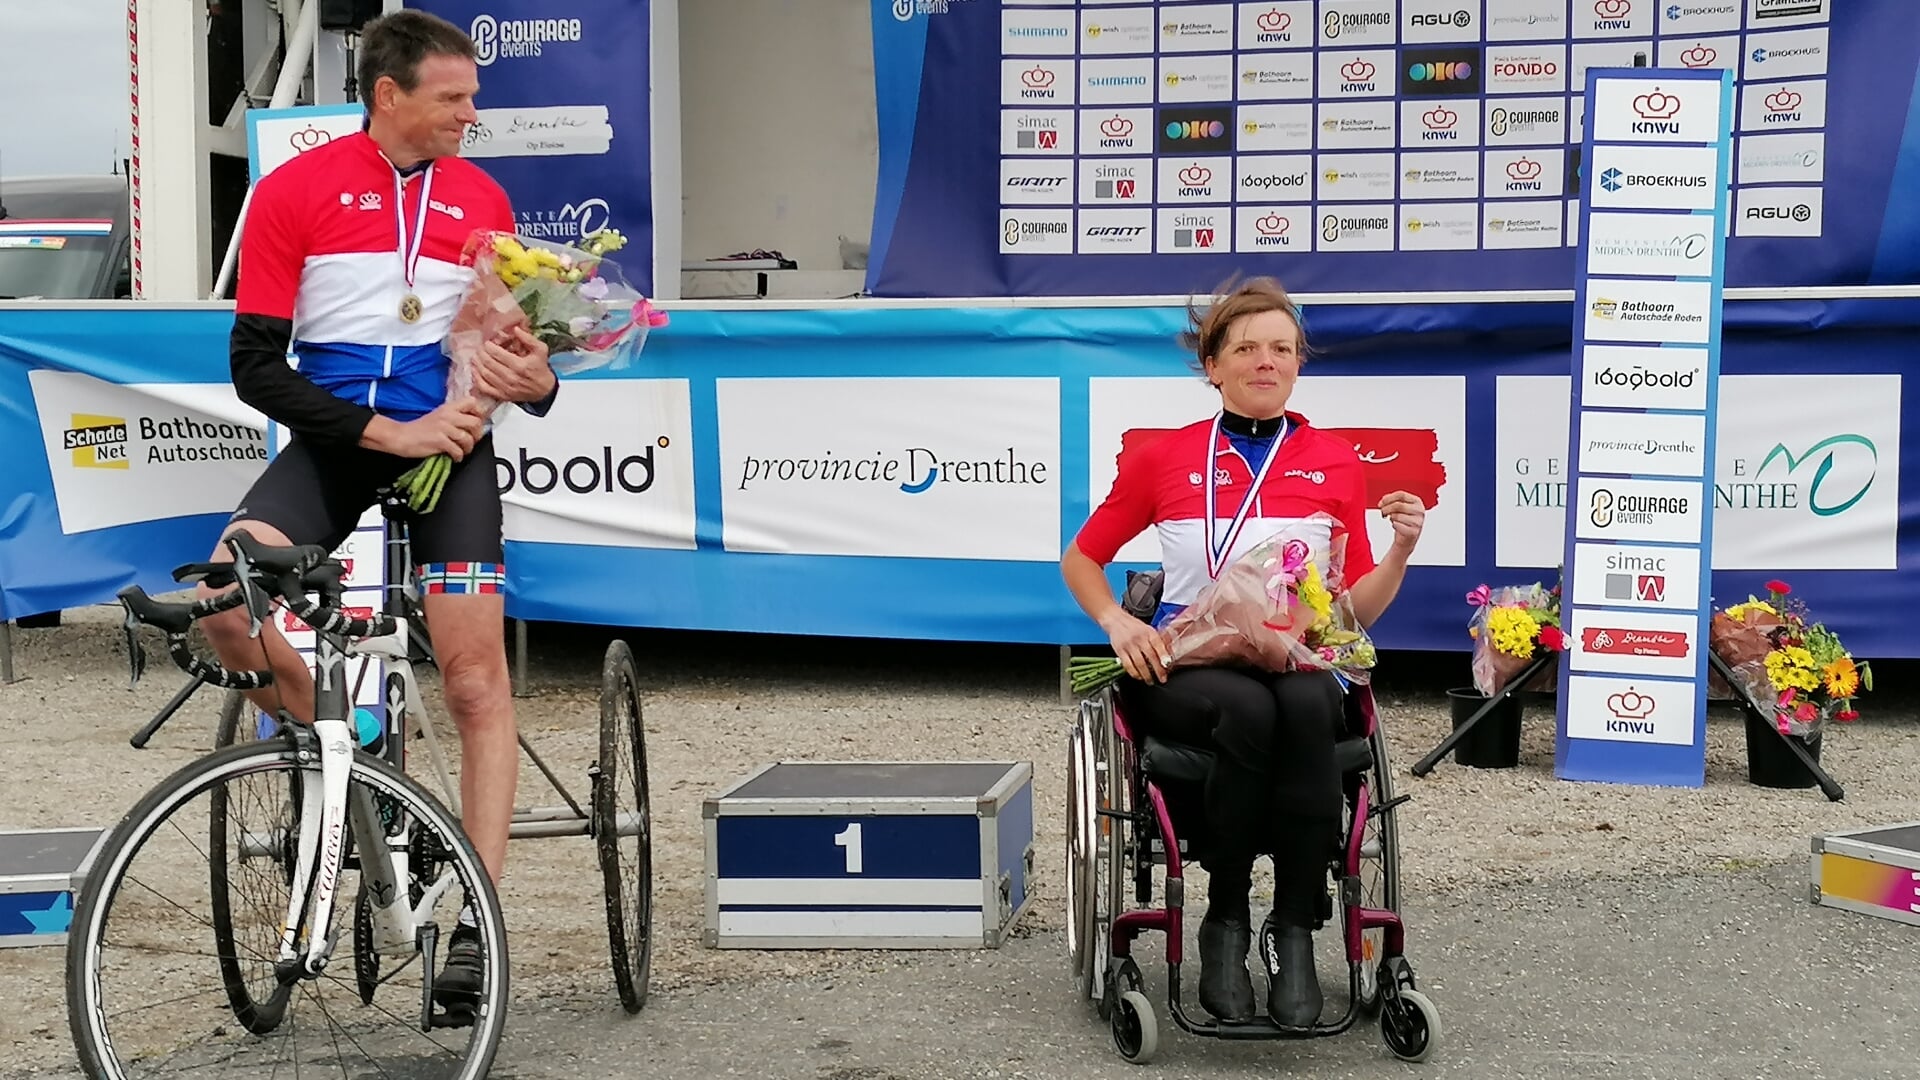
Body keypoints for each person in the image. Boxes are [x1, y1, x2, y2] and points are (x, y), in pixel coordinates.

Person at [197, 10, 558, 1013]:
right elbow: (255, 366)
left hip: (456, 450)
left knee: (476, 677)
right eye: (455, 98)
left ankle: (477, 925)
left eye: (473, 96)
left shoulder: (481, 197)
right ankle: (351, 777)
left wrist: (533, 376)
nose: (472, 114)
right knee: (227, 601)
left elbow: (526, 361)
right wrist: (384, 433)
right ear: (389, 95)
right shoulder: (295, 192)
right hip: (343, 447)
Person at [1060, 276, 1425, 1028]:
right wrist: (1116, 624)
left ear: (1298, 365)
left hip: (1296, 659)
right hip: (1188, 661)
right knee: (1252, 709)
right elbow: (1082, 559)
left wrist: (1400, 550)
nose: (1267, 362)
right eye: (1248, 348)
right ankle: (1223, 920)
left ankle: (1293, 929)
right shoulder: (1163, 458)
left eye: (1283, 349)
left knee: (1305, 703)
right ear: (1213, 365)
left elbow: (1351, 610)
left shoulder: (1333, 460)